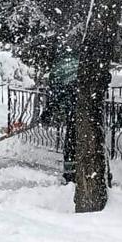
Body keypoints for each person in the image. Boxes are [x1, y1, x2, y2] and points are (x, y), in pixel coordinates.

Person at [39, 33, 80, 183]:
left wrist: (47, 113)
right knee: (84, 140)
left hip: (75, 107)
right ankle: (89, 173)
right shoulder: (76, 58)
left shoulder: (58, 70)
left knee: (71, 141)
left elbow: (56, 95)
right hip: (89, 107)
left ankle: (70, 175)